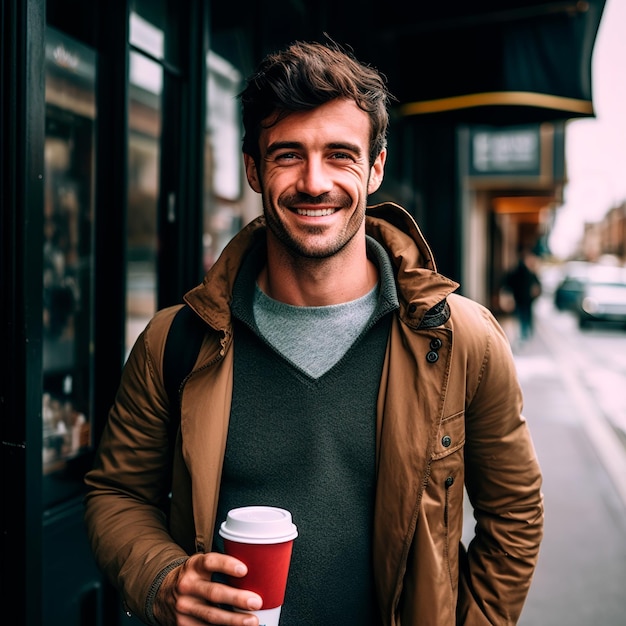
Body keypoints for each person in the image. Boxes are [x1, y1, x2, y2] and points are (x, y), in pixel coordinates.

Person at [84, 40, 544, 626]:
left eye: (340, 155)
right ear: (253, 168)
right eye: (287, 155)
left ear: (375, 167)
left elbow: (515, 515)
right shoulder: (175, 341)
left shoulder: (462, 342)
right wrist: (162, 581)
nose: (313, 182)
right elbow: (116, 494)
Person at [502, 251, 542, 342]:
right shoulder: (528, 273)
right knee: (525, 316)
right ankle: (525, 333)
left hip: (522, 299)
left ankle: (525, 333)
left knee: (523, 316)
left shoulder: (526, 272)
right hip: (524, 299)